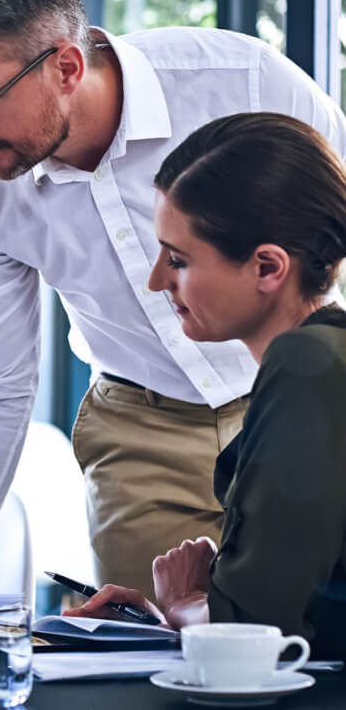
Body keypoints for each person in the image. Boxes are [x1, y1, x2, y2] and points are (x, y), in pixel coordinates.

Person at [0, 0, 346, 613]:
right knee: (159, 661)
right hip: (140, 431)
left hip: (298, 399)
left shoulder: (243, 82)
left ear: (67, 67)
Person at [66, 112, 346, 658]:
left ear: (268, 267)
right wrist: (176, 613)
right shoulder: (321, 357)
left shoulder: (306, 365)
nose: (156, 281)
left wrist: (187, 603)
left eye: (179, 259)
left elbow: (262, 632)